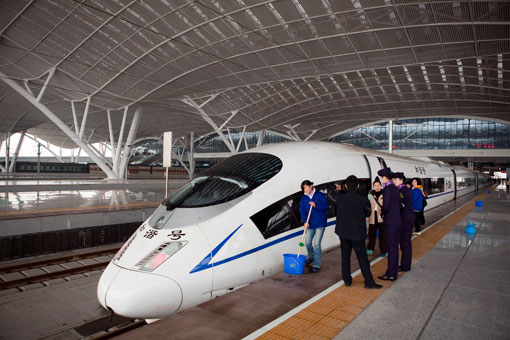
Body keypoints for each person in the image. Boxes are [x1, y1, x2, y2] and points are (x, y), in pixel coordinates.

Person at [334, 175, 382, 289]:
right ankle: (369, 282)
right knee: (362, 259)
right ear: (358, 186)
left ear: (345, 186)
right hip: (357, 234)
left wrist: (338, 189)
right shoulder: (363, 199)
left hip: (343, 233)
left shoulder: (339, 198)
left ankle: (347, 280)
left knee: (345, 257)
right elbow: (367, 213)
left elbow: (334, 204)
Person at [377, 167, 402, 281]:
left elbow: (386, 206)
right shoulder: (395, 188)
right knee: (394, 248)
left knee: (391, 248)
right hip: (397, 220)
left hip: (391, 222)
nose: (380, 180)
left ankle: (390, 273)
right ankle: (393, 272)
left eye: (380, 178)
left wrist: (382, 214)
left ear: (383, 177)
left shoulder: (387, 189)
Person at [299, 180, 329, 273]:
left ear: (311, 186)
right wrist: (305, 222)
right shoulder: (304, 199)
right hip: (310, 224)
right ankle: (311, 257)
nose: (304, 190)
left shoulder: (319, 195)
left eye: (306, 187)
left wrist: (316, 205)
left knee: (316, 244)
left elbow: (326, 207)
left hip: (320, 223)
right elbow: (302, 211)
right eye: (303, 188)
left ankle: (316, 264)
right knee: (307, 242)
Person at [392, 172, 415, 272]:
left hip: (406, 220)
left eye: (396, 179)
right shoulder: (402, 189)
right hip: (405, 219)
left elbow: (400, 205)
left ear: (401, 180)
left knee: (405, 243)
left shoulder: (402, 190)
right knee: (404, 243)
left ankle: (405, 266)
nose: (394, 181)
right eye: (393, 180)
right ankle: (405, 264)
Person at [366, 177, 386, 257]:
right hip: (372, 217)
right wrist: (367, 217)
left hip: (381, 217)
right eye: (375, 185)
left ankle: (383, 250)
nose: (377, 187)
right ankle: (370, 248)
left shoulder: (385, 194)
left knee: (382, 235)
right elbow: (367, 206)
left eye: (378, 185)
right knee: (371, 234)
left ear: (381, 186)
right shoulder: (370, 195)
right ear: (373, 186)